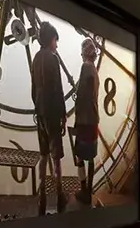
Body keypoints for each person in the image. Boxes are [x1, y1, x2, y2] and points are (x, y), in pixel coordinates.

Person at [30, 21, 67, 213]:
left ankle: (41, 198)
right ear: (50, 39)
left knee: (43, 155)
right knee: (56, 157)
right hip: (52, 114)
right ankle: (60, 196)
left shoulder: (36, 59)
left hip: (40, 112)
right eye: (55, 40)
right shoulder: (53, 59)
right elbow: (58, 90)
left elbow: (33, 89)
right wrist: (63, 114)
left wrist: (38, 107)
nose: (56, 45)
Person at [74, 37, 100, 207]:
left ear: (84, 53)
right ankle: (89, 191)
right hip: (93, 119)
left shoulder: (85, 67)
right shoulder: (95, 71)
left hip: (84, 120)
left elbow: (81, 94)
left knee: (79, 155)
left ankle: (83, 189)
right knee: (90, 156)